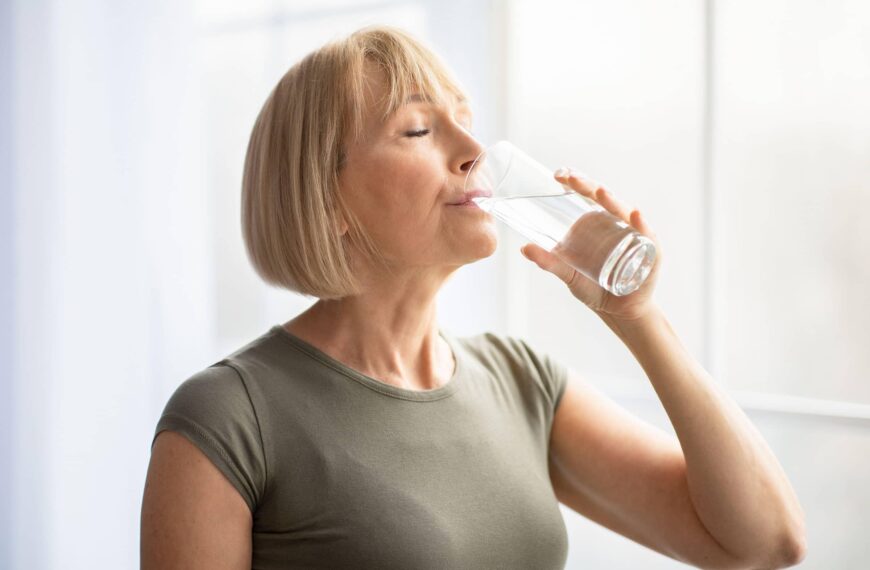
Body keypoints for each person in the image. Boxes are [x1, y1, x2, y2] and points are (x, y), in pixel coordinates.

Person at [140, 24, 806, 570]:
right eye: (418, 131)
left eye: (464, 120)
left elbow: (765, 542)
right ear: (328, 198)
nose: (472, 150)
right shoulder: (229, 416)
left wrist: (639, 319)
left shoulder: (520, 382)